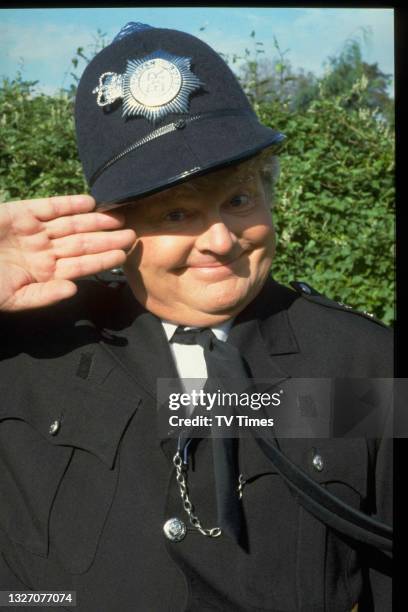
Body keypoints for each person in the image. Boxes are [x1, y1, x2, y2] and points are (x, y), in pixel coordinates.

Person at [0, 23, 392, 612]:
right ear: (115, 229)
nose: (219, 239)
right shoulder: (29, 346)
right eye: (176, 212)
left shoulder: (362, 363)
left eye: (238, 200)